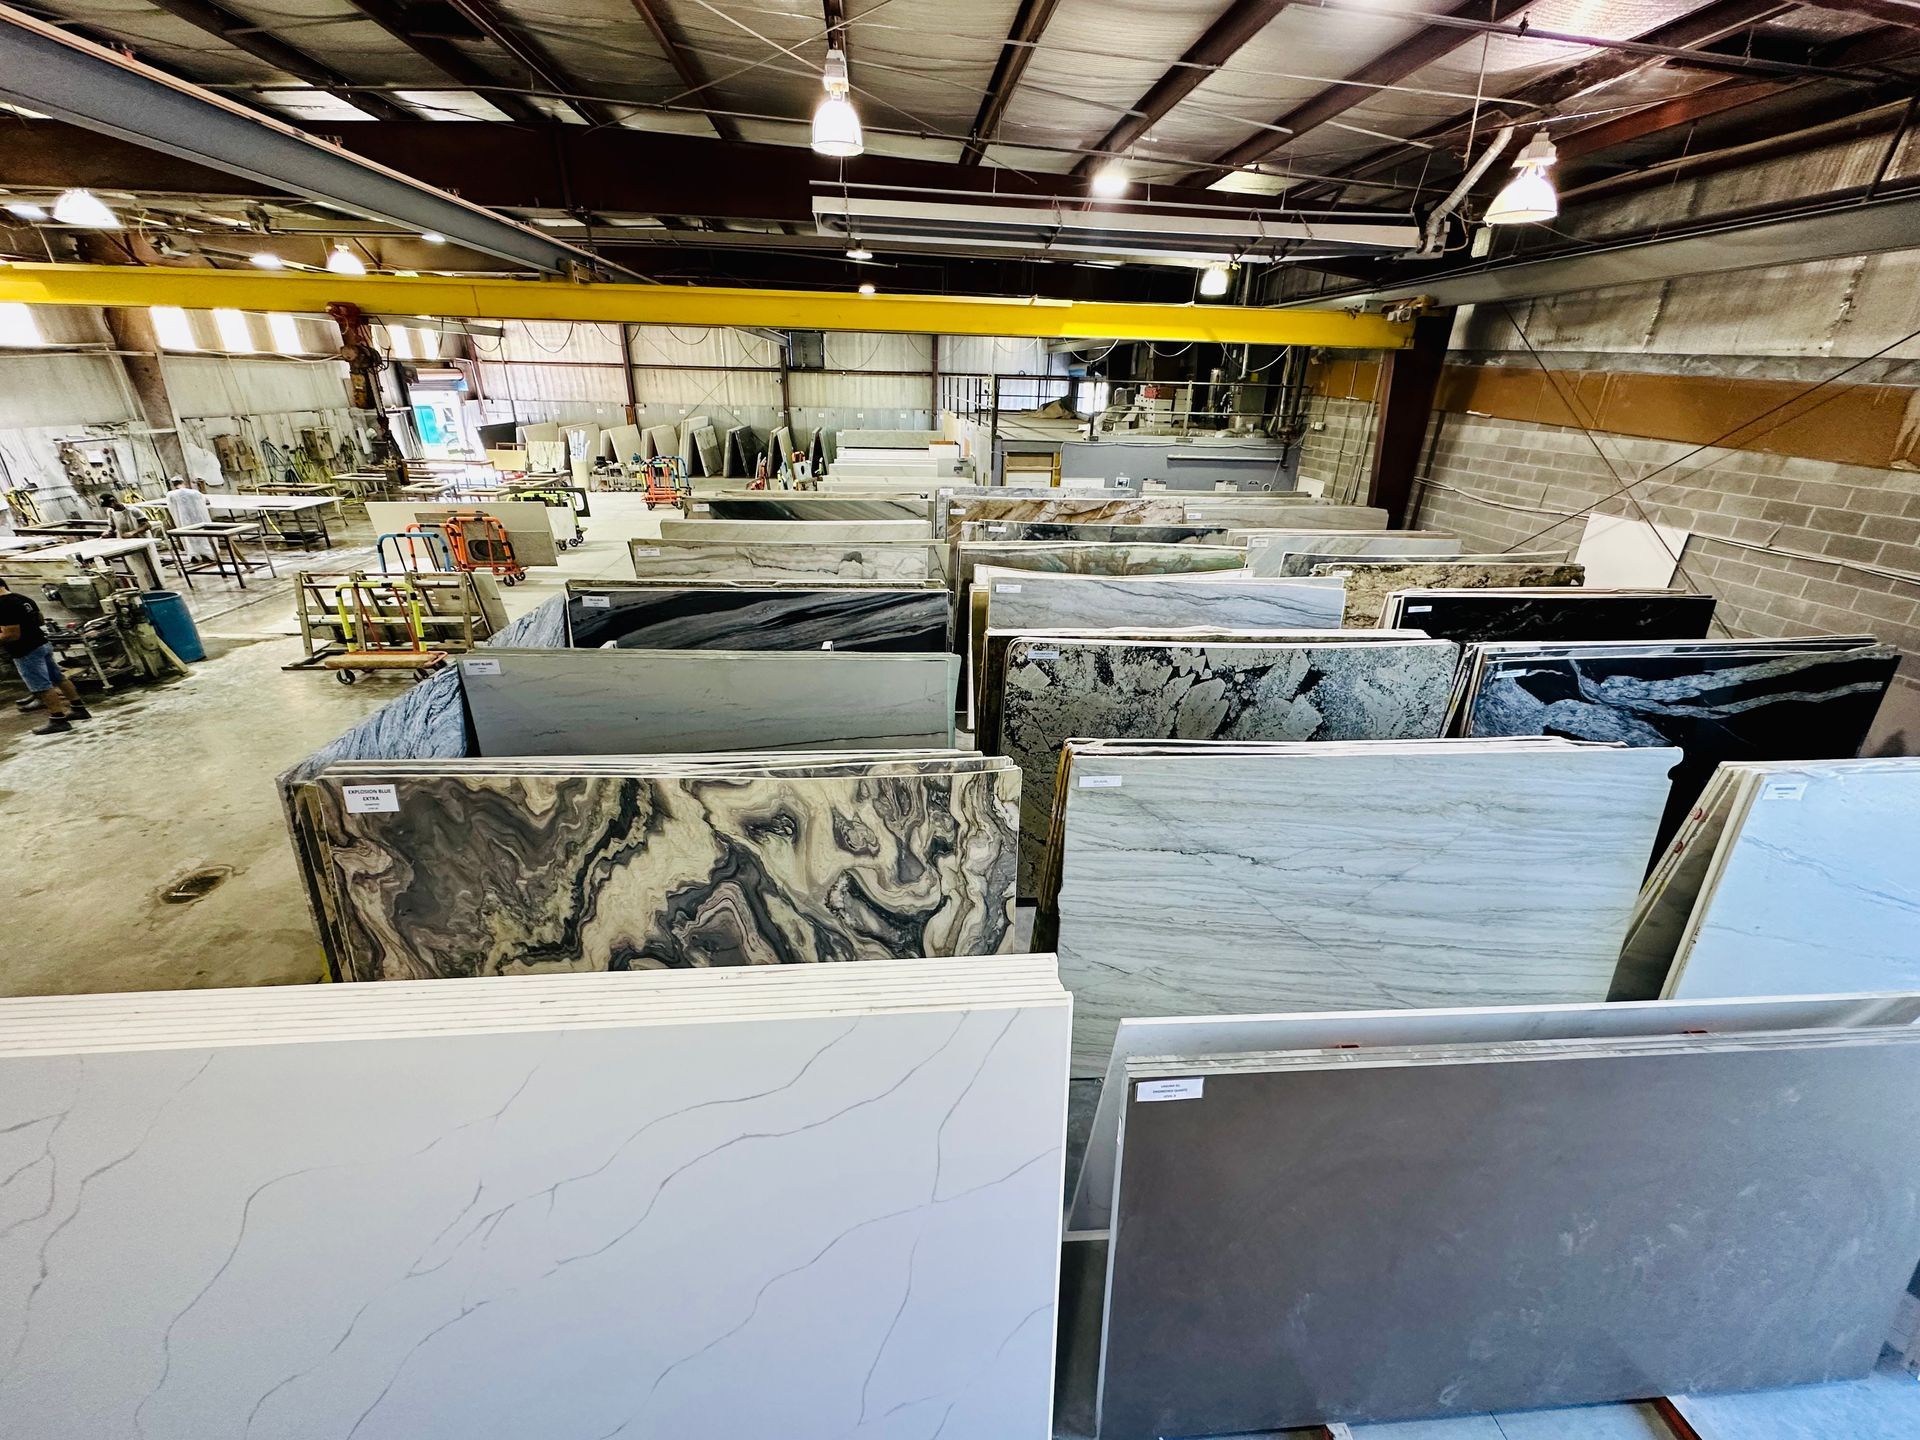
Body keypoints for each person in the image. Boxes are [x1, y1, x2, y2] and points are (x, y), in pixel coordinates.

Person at [0, 577, 91, 736]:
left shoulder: (2, 605)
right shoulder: (23, 599)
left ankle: (58, 720)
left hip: (25, 650)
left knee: (41, 686)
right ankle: (79, 709)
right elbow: (40, 620)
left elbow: (12, 635)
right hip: (41, 643)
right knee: (58, 678)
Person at [165, 474, 215, 563]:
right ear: (183, 482)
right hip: (197, 517)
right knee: (202, 535)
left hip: (183, 519)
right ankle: (207, 554)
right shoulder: (194, 492)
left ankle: (193, 555)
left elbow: (170, 507)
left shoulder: (171, 495)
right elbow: (206, 501)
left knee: (189, 537)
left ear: (173, 484)